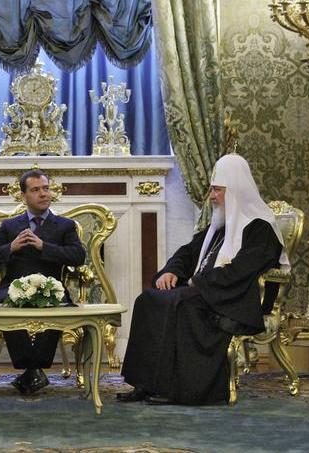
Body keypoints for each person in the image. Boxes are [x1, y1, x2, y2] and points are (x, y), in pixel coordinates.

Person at [118, 154, 290, 405]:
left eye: (217, 190)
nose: (211, 196)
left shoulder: (260, 228)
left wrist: (198, 282)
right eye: (212, 189)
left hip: (235, 299)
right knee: (148, 299)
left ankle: (180, 390)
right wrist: (173, 271)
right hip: (208, 290)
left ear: (235, 191)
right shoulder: (221, 224)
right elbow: (188, 253)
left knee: (181, 304)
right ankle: (146, 384)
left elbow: (242, 271)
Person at [0, 169, 86, 394]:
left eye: (46, 188)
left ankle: (31, 370)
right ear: (24, 195)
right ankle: (33, 369)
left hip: (51, 286)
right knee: (6, 305)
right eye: (36, 190)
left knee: (56, 304)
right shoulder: (10, 226)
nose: (43, 194)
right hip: (13, 286)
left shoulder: (65, 226)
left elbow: (78, 257)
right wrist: (11, 247)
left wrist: (43, 246)